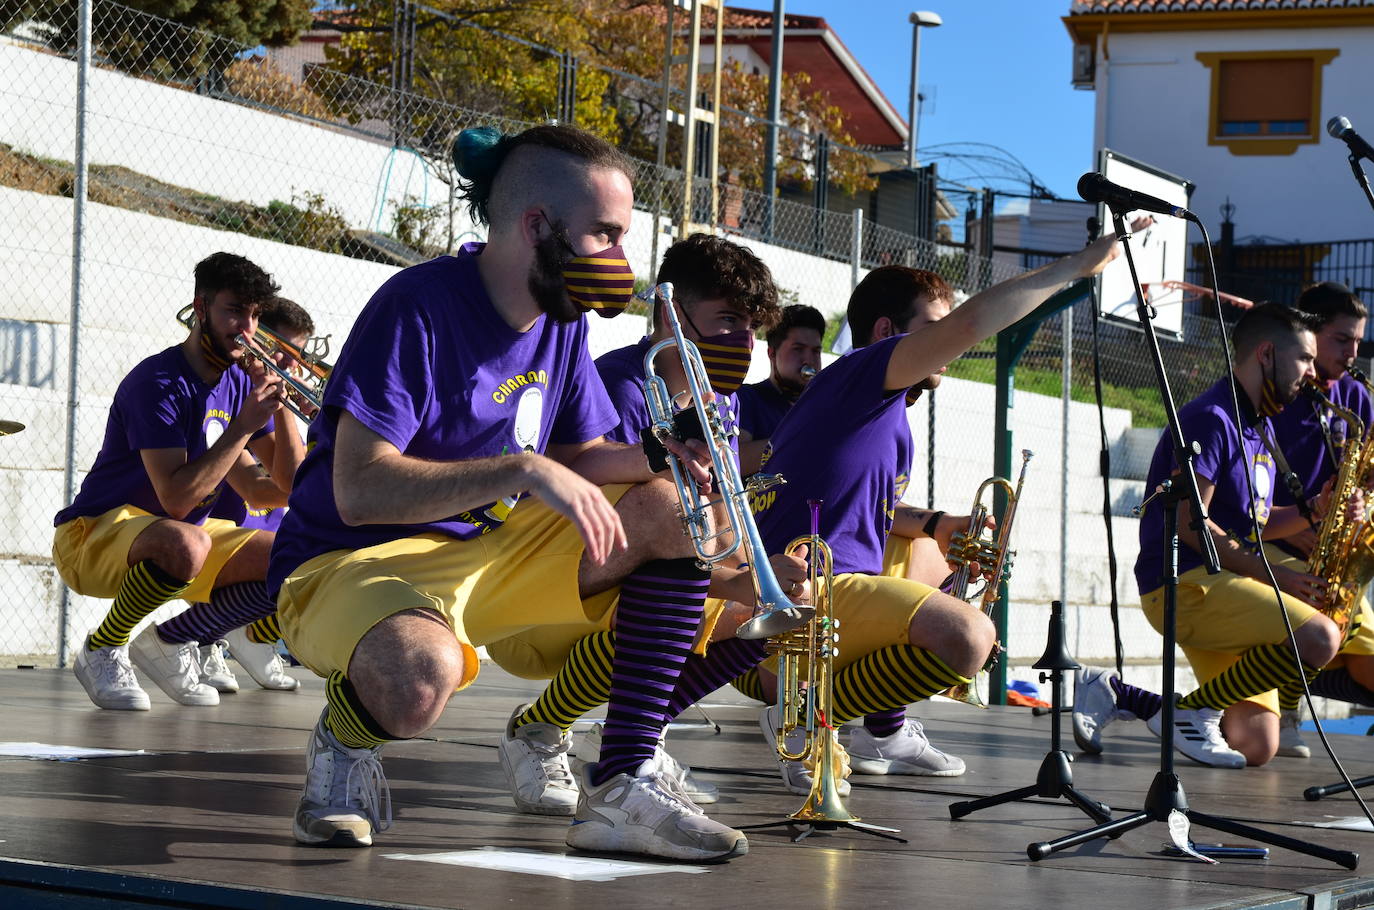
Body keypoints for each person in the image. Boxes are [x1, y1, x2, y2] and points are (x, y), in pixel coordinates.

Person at [268, 124, 748, 862]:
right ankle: (342, 742)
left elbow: (579, 453)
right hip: (348, 563)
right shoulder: (416, 306)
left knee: (671, 507)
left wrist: (657, 452)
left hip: (487, 553)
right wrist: (519, 470)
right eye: (606, 235)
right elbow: (359, 490)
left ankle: (621, 784)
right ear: (537, 226)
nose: (622, 261)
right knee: (415, 681)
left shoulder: (559, 326)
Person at [748, 254, 1129, 791]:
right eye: (935, 328)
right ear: (886, 332)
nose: (952, 346)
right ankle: (799, 709)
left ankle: (882, 732)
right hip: (791, 604)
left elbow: (865, 508)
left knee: (930, 553)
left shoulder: (878, 408)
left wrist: (936, 523)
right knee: (968, 637)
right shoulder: (863, 372)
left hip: (821, 593)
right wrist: (1077, 268)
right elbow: (973, 323)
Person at [484, 231, 804, 814]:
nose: (743, 341)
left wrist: (749, 580)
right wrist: (725, 577)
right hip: (549, 591)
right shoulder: (619, 386)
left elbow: (717, 519)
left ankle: (634, 738)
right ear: (668, 310)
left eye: (751, 327)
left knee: (769, 617)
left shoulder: (718, 403)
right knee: (663, 586)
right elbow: (642, 522)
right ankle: (541, 729)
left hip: (629, 574)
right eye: (727, 319)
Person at [1074, 303, 1356, 768]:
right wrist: (1278, 579)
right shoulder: (1212, 417)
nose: (1311, 372)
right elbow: (1191, 524)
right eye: (1305, 358)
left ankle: (1120, 694)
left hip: (1223, 583)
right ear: (1266, 353)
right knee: (1322, 637)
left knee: (1256, 744)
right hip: (1185, 584)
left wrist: (1315, 513)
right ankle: (1191, 711)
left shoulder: (1256, 423)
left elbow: (1257, 521)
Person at [53, 252, 296, 712]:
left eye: (255, 315)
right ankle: (104, 646)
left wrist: (282, 407)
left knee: (294, 553)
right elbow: (178, 499)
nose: (246, 328)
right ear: (200, 309)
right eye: (232, 311)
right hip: (92, 534)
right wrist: (244, 426)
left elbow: (283, 485)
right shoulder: (158, 381)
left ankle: (174, 639)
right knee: (187, 542)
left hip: (184, 536)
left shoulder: (239, 384)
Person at [1260, 283, 1374, 757]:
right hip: (1272, 543)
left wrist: (1363, 506)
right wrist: (1298, 522)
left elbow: (1369, 477)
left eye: (1358, 342)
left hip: (1333, 552)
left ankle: (1293, 679)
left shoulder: (1358, 397)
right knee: (1315, 620)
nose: (1353, 353)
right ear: (1309, 330)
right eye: (1342, 340)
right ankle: (1283, 707)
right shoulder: (1277, 392)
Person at [197, 296, 316, 694]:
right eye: (283, 354)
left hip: (260, 528)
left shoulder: (268, 400)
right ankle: (204, 636)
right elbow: (259, 491)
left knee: (328, 547)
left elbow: (294, 481)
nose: (293, 367)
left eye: (297, 358)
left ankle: (251, 635)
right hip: (219, 525)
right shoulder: (227, 391)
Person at [736, 304, 825, 474]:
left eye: (815, 351)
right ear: (772, 353)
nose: (809, 360)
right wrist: (804, 439)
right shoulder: (746, 398)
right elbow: (736, 461)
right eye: (798, 349)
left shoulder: (821, 407)